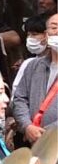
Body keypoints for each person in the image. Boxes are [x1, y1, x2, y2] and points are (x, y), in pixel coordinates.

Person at [11, 11, 58, 143]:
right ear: (46, 34)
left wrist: (48, 133)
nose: (56, 32)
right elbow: (20, 98)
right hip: (32, 142)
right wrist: (27, 126)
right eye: (53, 28)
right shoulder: (33, 66)